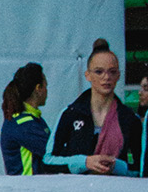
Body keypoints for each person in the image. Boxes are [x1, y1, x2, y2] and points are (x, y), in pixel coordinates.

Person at [46, 39, 143, 176]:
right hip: (76, 189)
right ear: (88, 75)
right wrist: (84, 162)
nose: (106, 77)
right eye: (99, 72)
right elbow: (48, 161)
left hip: (114, 189)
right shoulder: (70, 114)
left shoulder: (130, 119)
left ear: (118, 75)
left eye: (112, 72)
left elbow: (141, 169)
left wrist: (118, 167)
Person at [0, 62, 60, 175]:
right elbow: (54, 153)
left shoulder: (33, 119)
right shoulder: (24, 124)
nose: (47, 91)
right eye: (45, 86)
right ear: (38, 88)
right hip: (26, 185)